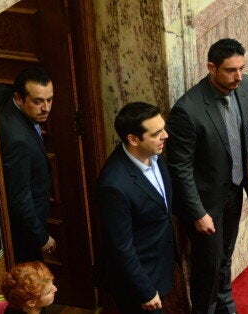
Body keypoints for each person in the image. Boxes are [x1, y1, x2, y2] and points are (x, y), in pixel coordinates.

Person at [166, 38, 248, 314]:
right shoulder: (187, 110)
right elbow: (180, 168)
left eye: (241, 68)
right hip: (206, 204)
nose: (239, 76)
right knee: (208, 265)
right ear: (211, 68)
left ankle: (225, 304)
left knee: (225, 256)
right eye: (231, 70)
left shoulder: (247, 86)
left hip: (235, 190)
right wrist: (197, 212)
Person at [97, 102, 175, 313]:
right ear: (133, 139)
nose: (165, 136)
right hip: (139, 283)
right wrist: (145, 290)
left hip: (161, 267)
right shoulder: (114, 185)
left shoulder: (156, 157)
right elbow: (121, 246)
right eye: (156, 133)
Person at [0, 68, 56, 263]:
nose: (46, 108)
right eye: (38, 102)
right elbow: (19, 198)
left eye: (49, 100)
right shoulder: (17, 140)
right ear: (19, 98)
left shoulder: (0, 95)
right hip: (23, 233)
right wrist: (41, 237)